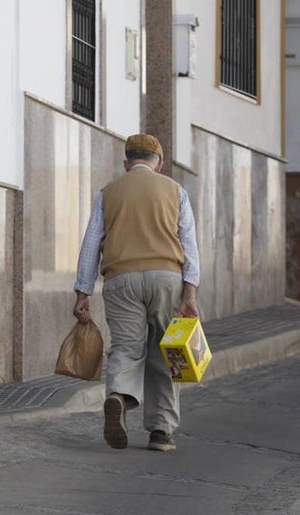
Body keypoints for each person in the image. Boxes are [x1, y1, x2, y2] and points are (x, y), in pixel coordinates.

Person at [72, 134, 200, 452]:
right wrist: (190, 292)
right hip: (166, 278)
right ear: (160, 164)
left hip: (121, 279)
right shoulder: (176, 191)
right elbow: (189, 245)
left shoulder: (109, 193)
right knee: (166, 354)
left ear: (127, 163)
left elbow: (91, 244)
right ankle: (161, 431)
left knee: (126, 348)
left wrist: (82, 292)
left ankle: (119, 395)